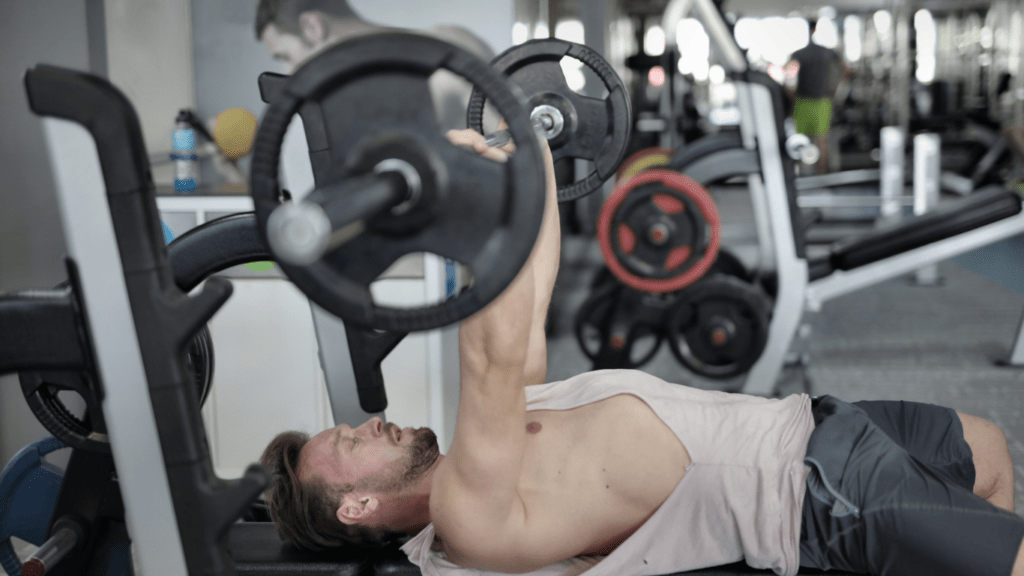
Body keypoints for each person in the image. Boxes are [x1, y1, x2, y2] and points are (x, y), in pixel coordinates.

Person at [259, 122, 1024, 576]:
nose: (367, 424)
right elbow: (486, 358)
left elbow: (526, 306)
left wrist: (534, 158)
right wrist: (469, 207)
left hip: (814, 425)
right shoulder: (467, 513)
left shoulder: (495, 444)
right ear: (358, 506)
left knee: (985, 448)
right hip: (817, 492)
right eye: (347, 443)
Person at [786, 19, 850, 174]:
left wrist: (791, 94)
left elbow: (788, 75)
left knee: (802, 140)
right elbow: (846, 71)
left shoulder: (800, 53)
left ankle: (801, 175)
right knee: (822, 140)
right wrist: (834, 90)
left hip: (803, 100)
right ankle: (820, 176)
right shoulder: (827, 52)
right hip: (822, 100)